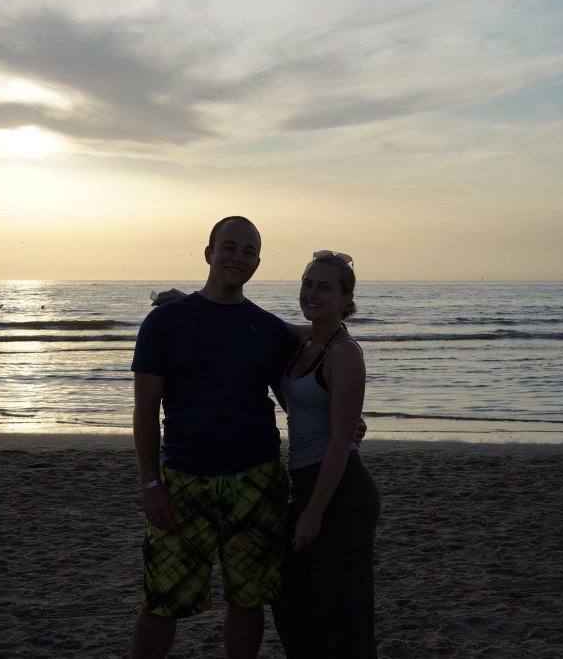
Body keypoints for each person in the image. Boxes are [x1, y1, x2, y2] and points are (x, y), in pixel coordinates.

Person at [130, 216, 297, 659]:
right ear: (209, 253)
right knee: (162, 600)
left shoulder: (269, 329)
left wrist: (344, 422)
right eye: (229, 247)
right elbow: (145, 411)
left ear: (257, 262)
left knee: (248, 598)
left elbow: (295, 398)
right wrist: (150, 483)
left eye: (248, 251)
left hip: (257, 480)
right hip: (184, 480)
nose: (238, 257)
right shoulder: (165, 322)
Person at [274, 250, 380, 658]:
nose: (312, 293)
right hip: (305, 484)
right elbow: (251, 323)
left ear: (345, 299)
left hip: (340, 491)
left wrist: (313, 512)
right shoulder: (304, 341)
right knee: (294, 601)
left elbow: (340, 439)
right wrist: (191, 302)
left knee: (342, 612)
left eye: (324, 287)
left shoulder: (344, 352)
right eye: (307, 284)